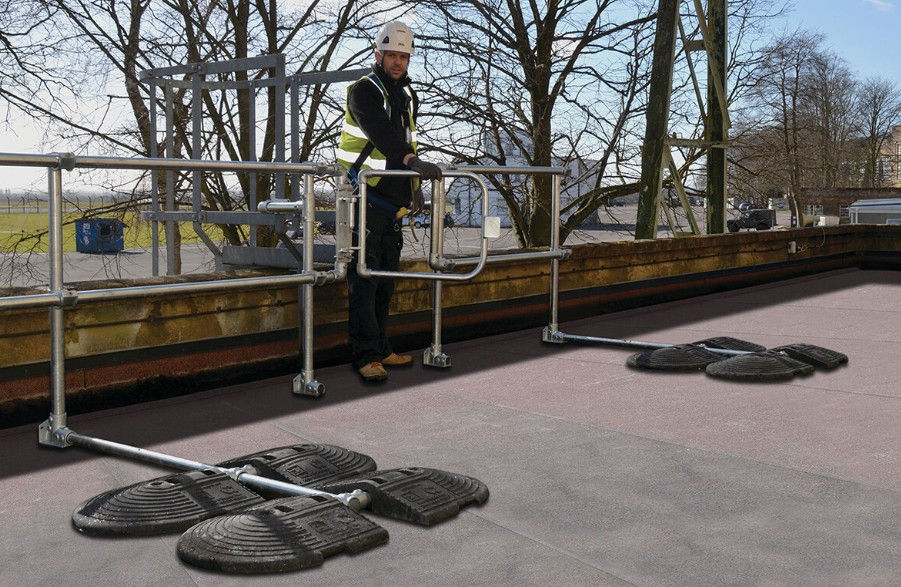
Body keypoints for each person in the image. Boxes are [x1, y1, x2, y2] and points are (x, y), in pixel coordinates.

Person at [337, 20, 442, 382]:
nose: (398, 62)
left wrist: (413, 187)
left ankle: (382, 348)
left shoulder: (406, 94)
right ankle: (366, 356)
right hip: (364, 194)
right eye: (392, 55)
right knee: (364, 279)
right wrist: (412, 162)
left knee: (385, 280)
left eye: (404, 56)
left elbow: (406, 140)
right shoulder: (364, 91)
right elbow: (382, 134)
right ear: (378, 54)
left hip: (390, 199)